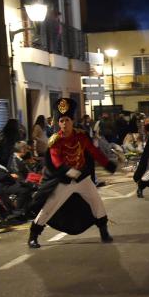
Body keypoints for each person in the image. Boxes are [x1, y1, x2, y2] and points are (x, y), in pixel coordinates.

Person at [27, 98, 117, 248]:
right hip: (65, 180)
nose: (64, 123)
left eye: (67, 120)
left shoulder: (81, 136)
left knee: (96, 202)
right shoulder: (55, 141)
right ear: (58, 123)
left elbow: (94, 152)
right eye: (61, 121)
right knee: (50, 206)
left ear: (72, 121)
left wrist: (107, 164)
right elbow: (55, 161)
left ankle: (104, 231)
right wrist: (69, 171)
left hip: (82, 179)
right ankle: (33, 235)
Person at [0, 146, 33, 216]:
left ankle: (27, 210)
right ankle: (18, 211)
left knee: (27, 187)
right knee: (24, 190)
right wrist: (11, 176)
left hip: (7, 183)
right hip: (2, 186)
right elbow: (1, 176)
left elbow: (4, 173)